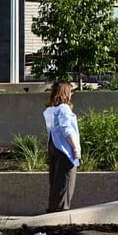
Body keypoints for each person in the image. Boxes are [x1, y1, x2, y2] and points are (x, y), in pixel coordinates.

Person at [43, 80, 81, 211]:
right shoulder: (64, 108)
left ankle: (53, 209)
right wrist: (75, 148)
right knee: (66, 182)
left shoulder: (50, 110)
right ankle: (61, 212)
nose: (72, 94)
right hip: (65, 149)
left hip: (53, 146)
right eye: (71, 91)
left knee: (55, 181)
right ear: (65, 92)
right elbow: (66, 129)